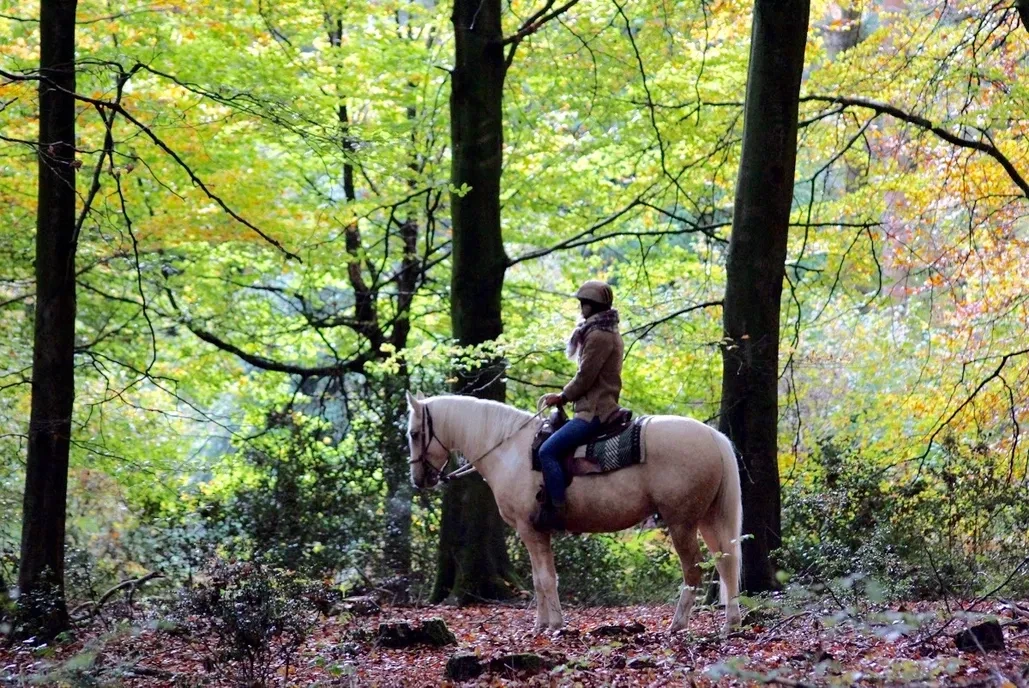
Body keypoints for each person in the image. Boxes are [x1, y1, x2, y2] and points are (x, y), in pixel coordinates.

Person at [534, 279, 624, 531]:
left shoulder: (598, 336)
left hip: (594, 411)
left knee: (547, 451)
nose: (580, 307)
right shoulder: (604, 330)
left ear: (592, 305)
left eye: (583, 303)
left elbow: (585, 377)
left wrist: (562, 396)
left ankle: (558, 511)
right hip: (593, 405)